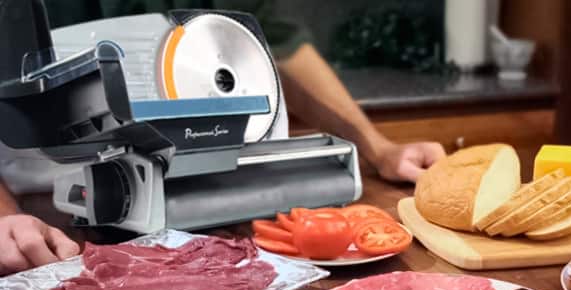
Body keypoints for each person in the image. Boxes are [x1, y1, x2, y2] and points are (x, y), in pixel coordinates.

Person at [0, 0, 446, 275]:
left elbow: (285, 48)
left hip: (211, 182)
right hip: (39, 213)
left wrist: (377, 145)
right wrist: (4, 218)